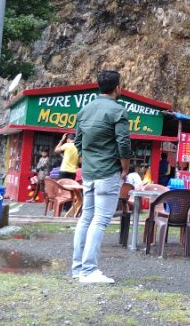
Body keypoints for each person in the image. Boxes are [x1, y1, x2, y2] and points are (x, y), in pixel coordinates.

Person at [71, 70, 132, 284]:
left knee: (86, 217)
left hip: (89, 173)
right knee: (100, 220)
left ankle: (78, 268)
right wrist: (125, 168)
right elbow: (123, 143)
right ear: (117, 88)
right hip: (108, 173)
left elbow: (77, 142)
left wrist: (87, 161)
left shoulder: (85, 109)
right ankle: (89, 270)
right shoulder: (118, 111)